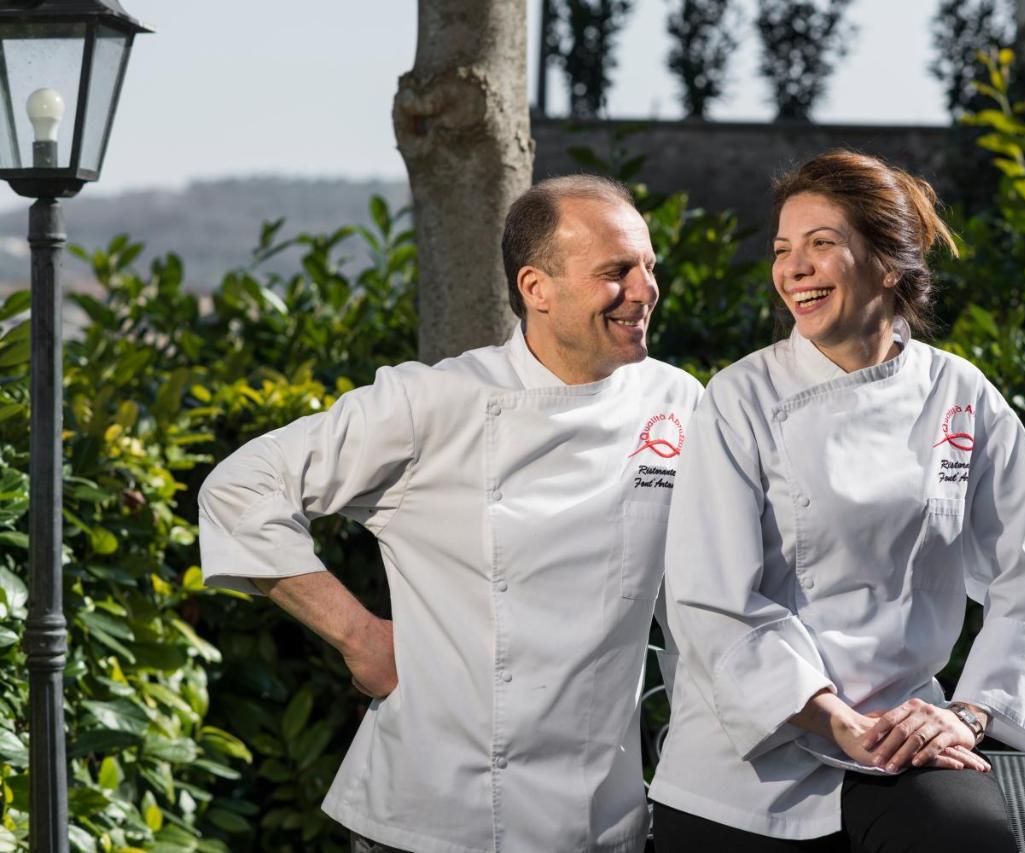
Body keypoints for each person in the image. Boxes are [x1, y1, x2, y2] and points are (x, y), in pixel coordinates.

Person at [197, 175, 702, 853]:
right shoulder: (433, 402)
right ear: (536, 289)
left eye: (648, 266)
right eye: (617, 271)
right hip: (436, 816)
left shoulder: (677, 400)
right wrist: (359, 636)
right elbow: (240, 488)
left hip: (599, 817)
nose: (645, 290)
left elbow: (705, 594)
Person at [648, 150, 1025, 852]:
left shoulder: (962, 398)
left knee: (968, 837)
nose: (793, 269)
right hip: (747, 755)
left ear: (889, 263)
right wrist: (837, 718)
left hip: (905, 737)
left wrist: (965, 714)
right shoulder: (738, 400)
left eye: (821, 244)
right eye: (783, 250)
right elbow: (712, 601)